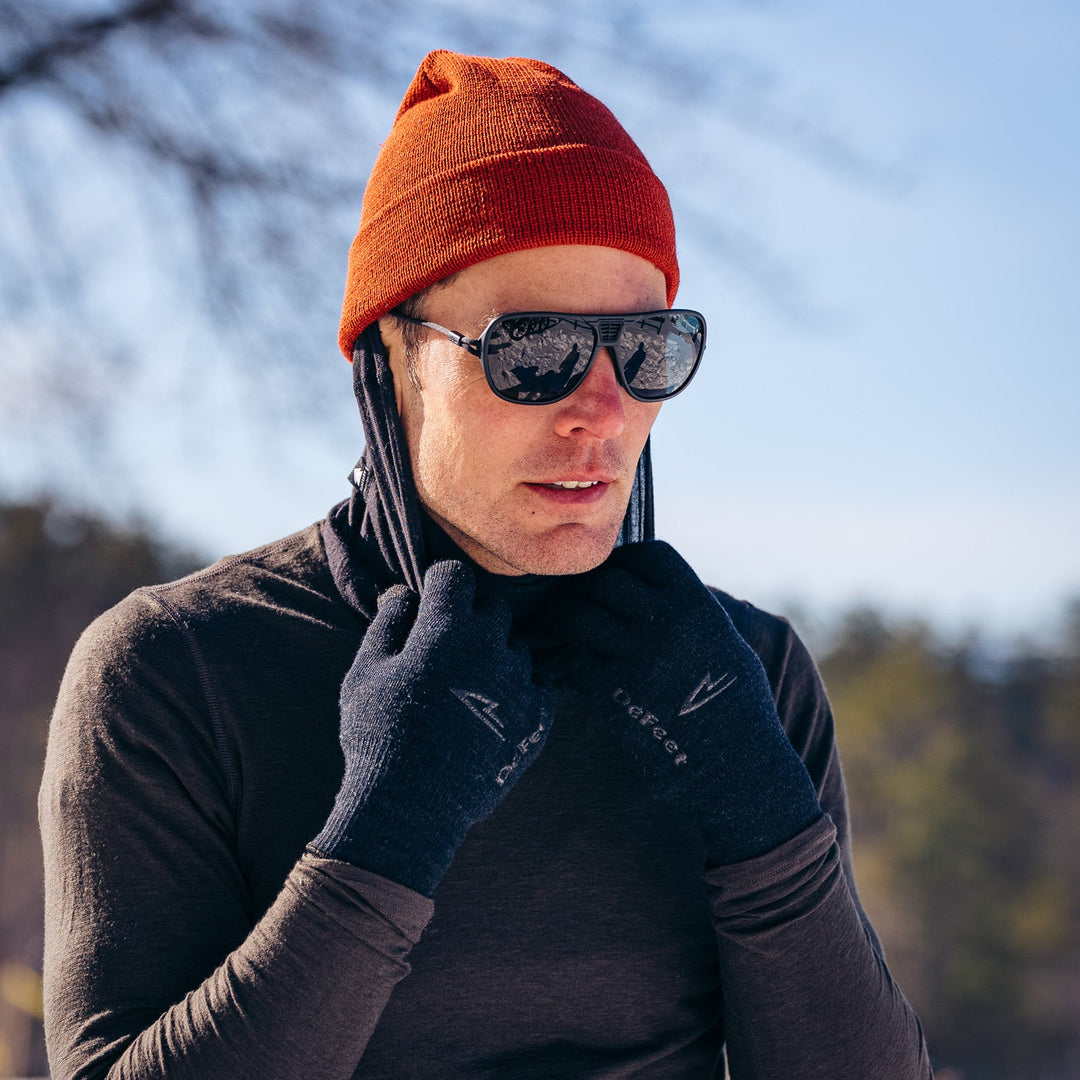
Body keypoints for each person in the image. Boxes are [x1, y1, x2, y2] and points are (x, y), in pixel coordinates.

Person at [39, 50, 933, 1079]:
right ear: (393, 353)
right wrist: (383, 835)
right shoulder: (177, 670)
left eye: (647, 348)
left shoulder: (748, 676)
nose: (604, 410)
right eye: (536, 348)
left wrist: (763, 818)